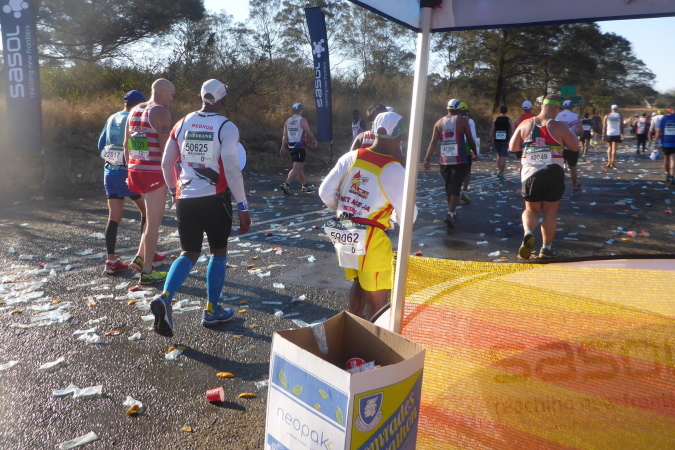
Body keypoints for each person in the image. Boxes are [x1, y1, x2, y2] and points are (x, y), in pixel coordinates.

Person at [151, 79, 251, 338]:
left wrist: (174, 192)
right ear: (223, 101)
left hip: (185, 199)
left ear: (200, 97)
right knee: (218, 252)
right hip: (215, 198)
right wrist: (243, 205)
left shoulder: (181, 123)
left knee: (189, 252)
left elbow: (166, 163)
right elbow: (232, 167)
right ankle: (212, 310)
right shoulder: (226, 126)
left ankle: (165, 297)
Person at [318, 112, 416, 320]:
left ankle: (350, 329)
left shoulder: (351, 157)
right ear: (399, 138)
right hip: (372, 239)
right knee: (378, 304)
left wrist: (346, 209)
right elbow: (409, 216)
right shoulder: (394, 170)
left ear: (372, 132)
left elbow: (325, 192)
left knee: (359, 282)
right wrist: (391, 218)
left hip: (344, 230)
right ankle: (366, 339)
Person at [510, 94, 579, 260]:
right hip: (553, 171)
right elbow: (575, 147)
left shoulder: (525, 123)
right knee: (550, 211)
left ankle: (528, 233)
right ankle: (546, 248)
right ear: (556, 109)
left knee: (531, 209)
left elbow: (513, 147)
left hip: (530, 173)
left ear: (542, 107)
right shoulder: (559, 126)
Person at [123, 78, 175, 284]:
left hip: (135, 170)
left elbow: (126, 144)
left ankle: (140, 256)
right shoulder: (161, 112)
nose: (172, 99)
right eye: (171, 94)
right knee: (154, 223)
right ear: (162, 91)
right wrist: (174, 178)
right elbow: (166, 150)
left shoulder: (134, 110)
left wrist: (129, 170)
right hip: (154, 173)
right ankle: (147, 271)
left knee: (150, 218)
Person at [98, 90, 147, 274]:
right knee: (148, 212)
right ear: (139, 104)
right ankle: (144, 255)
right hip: (127, 173)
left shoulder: (112, 117)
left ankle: (111, 261)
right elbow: (139, 147)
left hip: (109, 172)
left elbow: (100, 145)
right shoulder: (135, 118)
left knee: (114, 217)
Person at [423, 99, 477, 228]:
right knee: (456, 186)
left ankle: (451, 211)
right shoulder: (462, 121)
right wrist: (475, 151)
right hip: (459, 159)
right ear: (458, 109)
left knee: (449, 185)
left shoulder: (439, 122)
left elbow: (433, 142)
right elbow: (470, 138)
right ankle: (451, 212)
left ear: (447, 109)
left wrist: (427, 159)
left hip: (444, 160)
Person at [280, 103, 317, 195]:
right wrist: (314, 140)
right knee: (296, 167)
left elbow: (285, 135)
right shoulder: (302, 120)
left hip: (291, 146)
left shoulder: (288, 121)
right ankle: (286, 184)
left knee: (300, 167)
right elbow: (308, 132)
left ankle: (304, 186)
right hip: (299, 145)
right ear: (301, 110)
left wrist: (282, 147)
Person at [555, 100, 583, 194]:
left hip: (559, 145)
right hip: (571, 144)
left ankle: (557, 187)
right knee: (572, 167)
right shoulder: (575, 116)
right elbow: (579, 131)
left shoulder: (557, 116)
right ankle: (574, 187)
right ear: (572, 107)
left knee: (558, 167)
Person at [488, 105, 514, 182]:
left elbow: (492, 130)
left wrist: (489, 140)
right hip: (505, 140)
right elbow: (512, 130)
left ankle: (499, 171)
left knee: (498, 155)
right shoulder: (509, 120)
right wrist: (513, 140)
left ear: (499, 111)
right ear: (507, 111)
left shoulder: (495, 119)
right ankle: (501, 173)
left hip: (497, 140)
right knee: (503, 156)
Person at [458, 102, 477, 203]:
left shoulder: (452, 120)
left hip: (454, 150)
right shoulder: (469, 121)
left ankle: (455, 194)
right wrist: (475, 151)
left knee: (456, 172)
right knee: (467, 171)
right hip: (466, 149)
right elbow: (472, 137)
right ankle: (464, 192)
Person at [655, 109, 675, 185]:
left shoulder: (664, 118)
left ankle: (668, 174)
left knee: (666, 159)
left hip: (665, 142)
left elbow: (659, 130)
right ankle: (672, 176)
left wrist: (656, 140)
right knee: (673, 160)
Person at [602, 105, 623, 169]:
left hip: (609, 133)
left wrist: (603, 135)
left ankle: (609, 161)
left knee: (609, 147)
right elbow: (622, 125)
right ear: (617, 109)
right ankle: (613, 162)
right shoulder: (620, 116)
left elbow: (604, 126)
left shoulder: (607, 116)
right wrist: (622, 133)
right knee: (614, 148)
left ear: (611, 109)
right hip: (616, 133)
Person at [650, 110, 668, 179]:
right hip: (665, 134)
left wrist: (650, 135)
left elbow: (651, 127)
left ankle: (658, 156)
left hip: (656, 133)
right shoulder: (665, 117)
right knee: (665, 152)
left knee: (657, 148)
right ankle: (665, 164)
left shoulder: (654, 118)